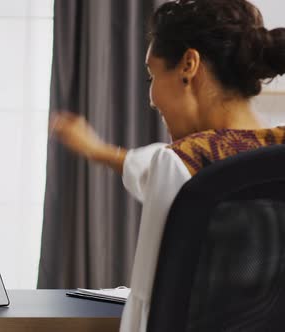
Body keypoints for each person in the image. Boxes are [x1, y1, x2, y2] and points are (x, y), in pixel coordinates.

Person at [49, 1, 285, 331]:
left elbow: (146, 308)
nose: (151, 97)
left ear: (189, 65)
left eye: (152, 76)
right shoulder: (271, 154)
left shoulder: (179, 163)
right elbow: (148, 168)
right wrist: (98, 150)